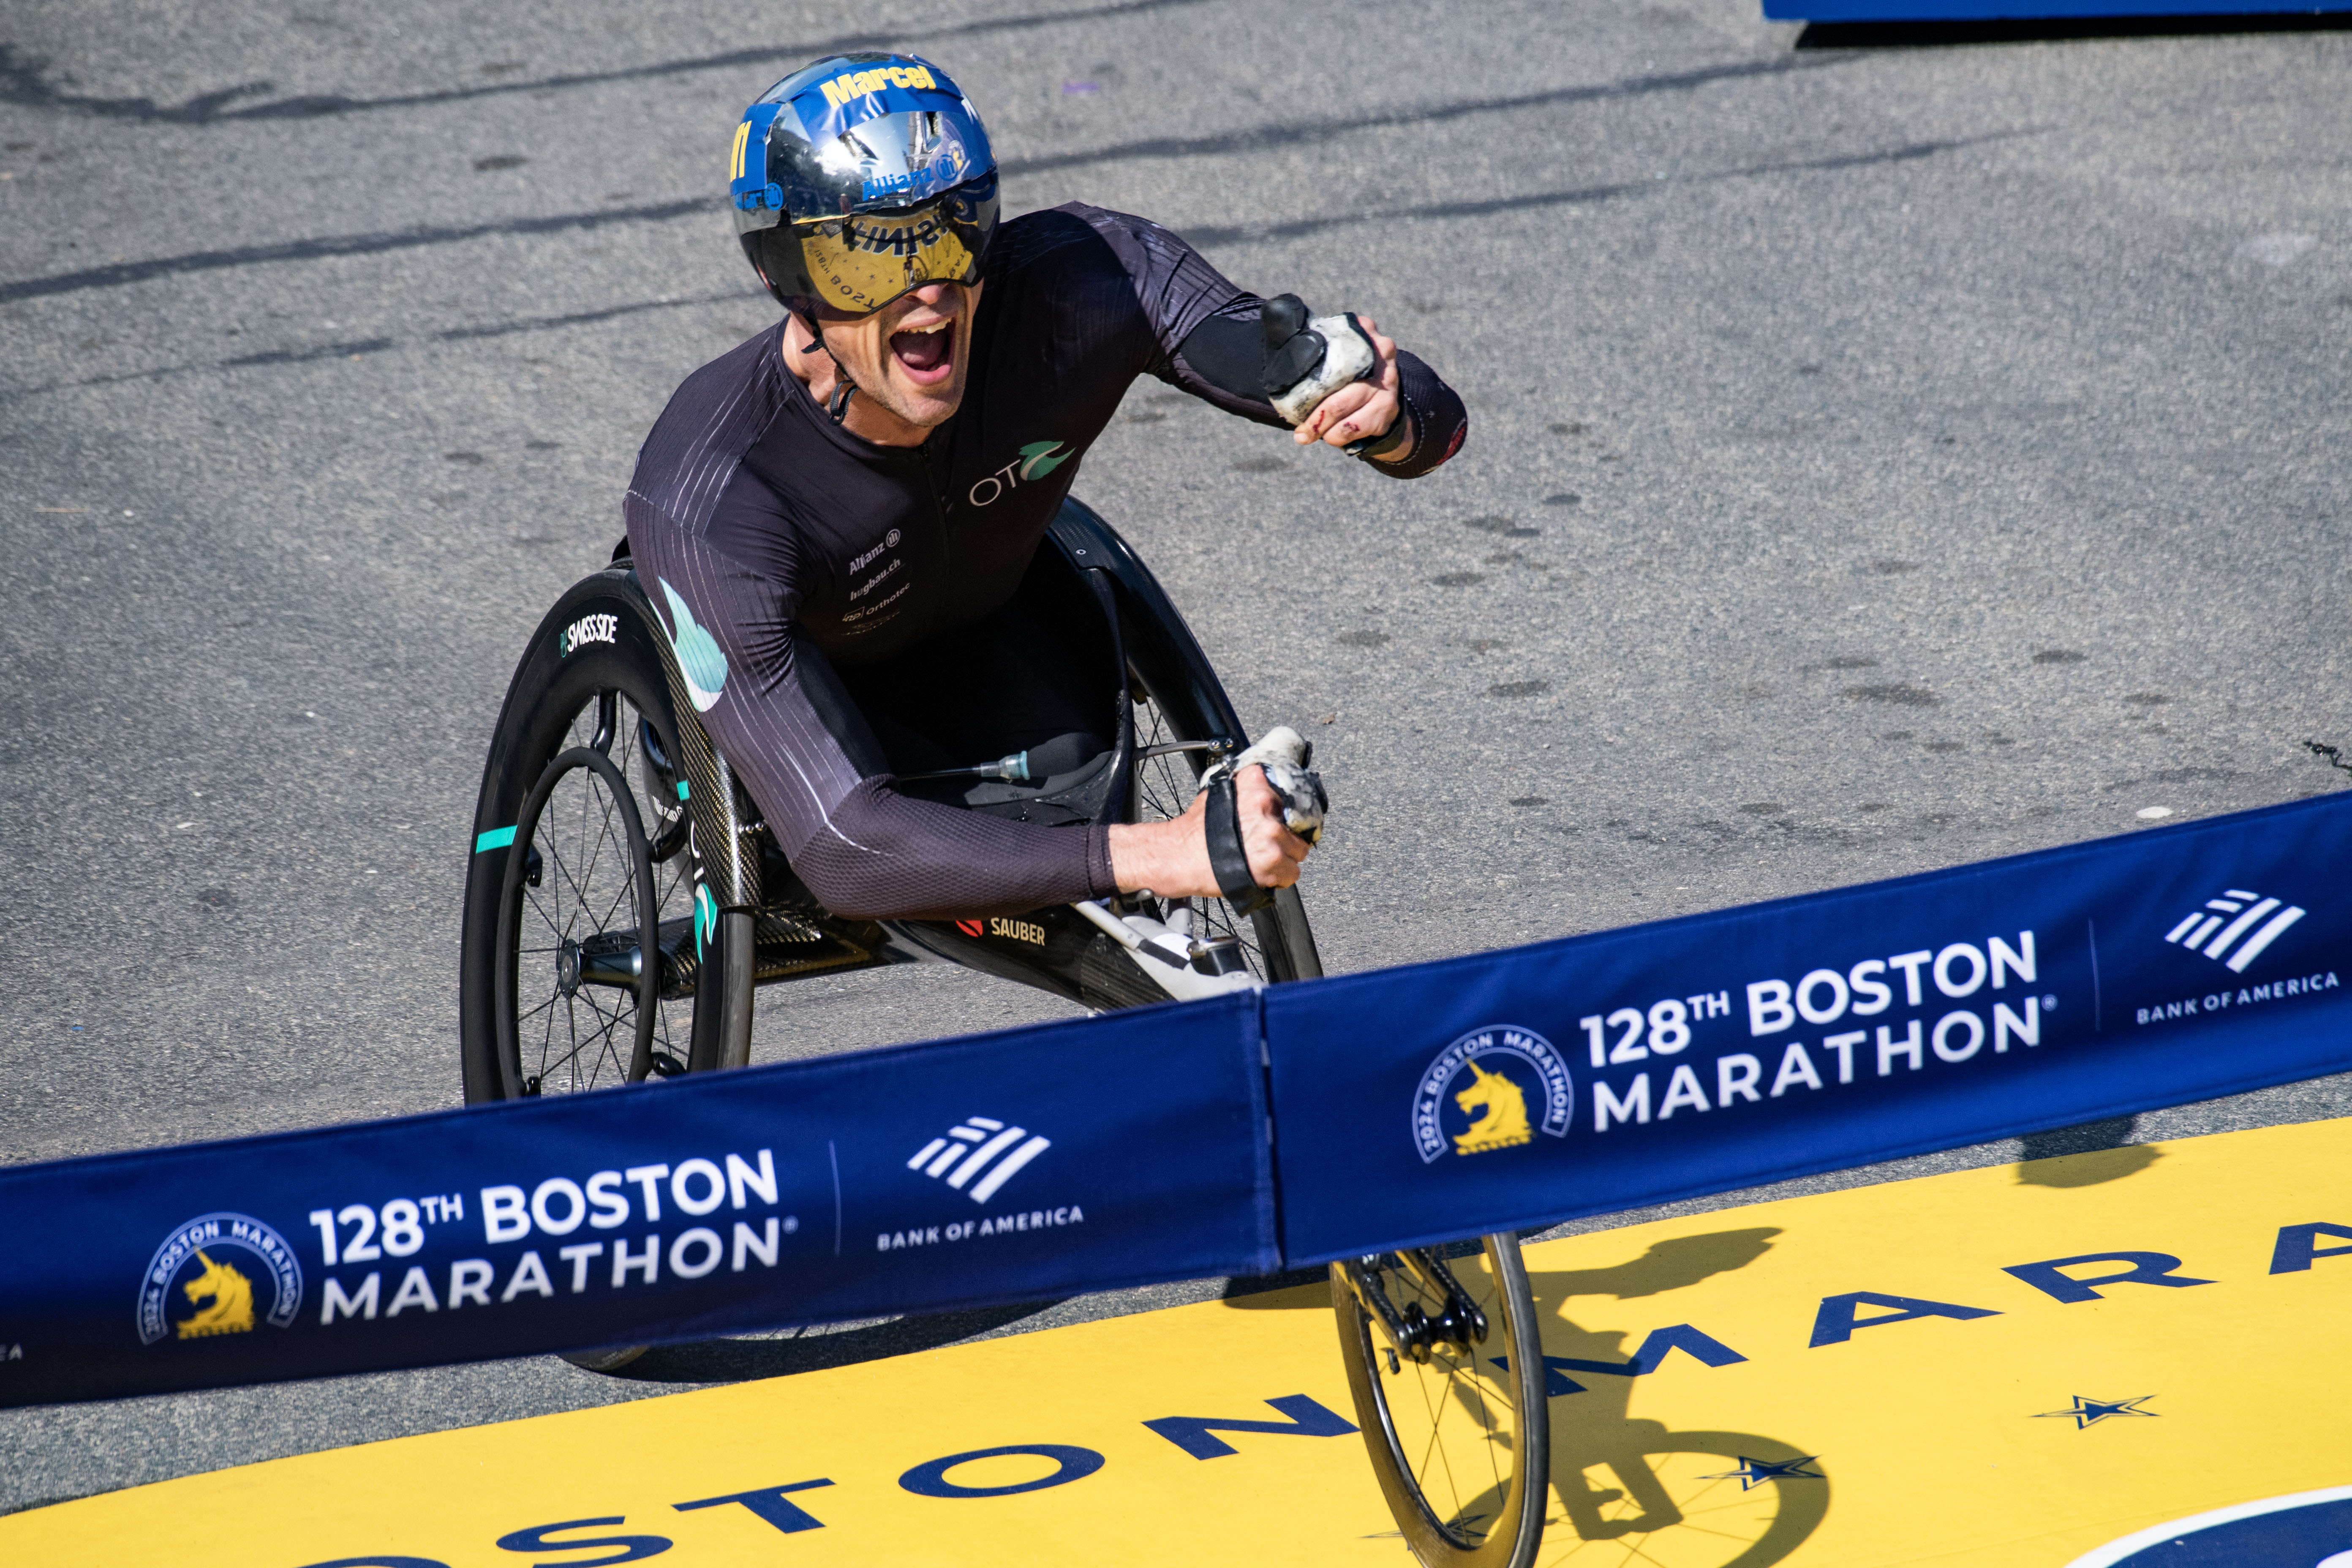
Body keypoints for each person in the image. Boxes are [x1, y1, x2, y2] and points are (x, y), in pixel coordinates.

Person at [624, 52, 1467, 923]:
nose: (929, 286)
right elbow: (847, 852)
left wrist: (1386, 412)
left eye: (954, 229)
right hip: (807, 752)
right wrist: (1164, 851)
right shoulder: (715, 498)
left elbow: (1422, 421)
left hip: (1007, 670)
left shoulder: (1086, 282)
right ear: (788, 279)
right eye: (870, 257)